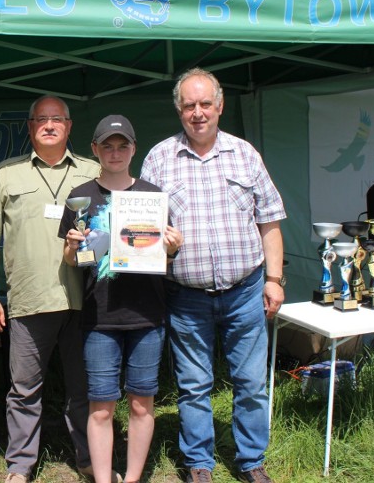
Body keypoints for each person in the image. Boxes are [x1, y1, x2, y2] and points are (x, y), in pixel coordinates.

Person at [140, 68, 286, 483]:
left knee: (251, 383)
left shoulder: (245, 154)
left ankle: (251, 460)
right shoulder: (159, 158)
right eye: (189, 105)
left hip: (246, 290)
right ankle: (198, 463)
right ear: (179, 110)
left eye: (206, 104)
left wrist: (274, 279)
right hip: (185, 294)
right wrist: (160, 246)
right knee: (193, 385)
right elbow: (142, 230)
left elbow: (270, 222)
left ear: (220, 107)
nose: (198, 113)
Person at [0, 95, 105, 483]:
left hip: (88, 301)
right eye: (41, 120)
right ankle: (20, 466)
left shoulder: (94, 170)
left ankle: (88, 458)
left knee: (85, 388)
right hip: (29, 301)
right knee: (24, 389)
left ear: (69, 126)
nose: (49, 125)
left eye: (57, 119)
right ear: (30, 127)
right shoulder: (6, 174)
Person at [58, 115, 183, 483]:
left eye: (122, 145)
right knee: (101, 407)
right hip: (100, 318)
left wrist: (173, 250)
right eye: (107, 146)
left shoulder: (153, 197)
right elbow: (74, 262)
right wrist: (70, 248)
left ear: (134, 149)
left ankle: (131, 479)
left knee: (143, 403)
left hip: (147, 315)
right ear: (95, 149)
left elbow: (163, 257)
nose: (115, 153)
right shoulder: (81, 198)